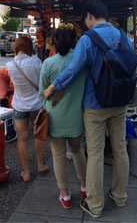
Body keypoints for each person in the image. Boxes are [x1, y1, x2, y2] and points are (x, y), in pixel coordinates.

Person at [44, 1, 131, 218]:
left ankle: (95, 205)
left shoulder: (87, 39)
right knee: (120, 149)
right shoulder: (122, 36)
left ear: (90, 16)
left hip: (95, 105)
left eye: (85, 19)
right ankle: (119, 196)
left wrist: (53, 86)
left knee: (94, 154)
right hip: (120, 102)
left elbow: (74, 69)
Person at [39, 23, 87, 209]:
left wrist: (47, 107)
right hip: (76, 117)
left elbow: (42, 92)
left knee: (58, 156)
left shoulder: (48, 63)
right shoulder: (82, 61)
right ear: (74, 41)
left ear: (56, 44)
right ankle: (84, 187)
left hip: (55, 118)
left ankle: (65, 196)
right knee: (77, 152)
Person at [6, 36, 49, 182]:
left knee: (22, 140)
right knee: (38, 135)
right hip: (36, 105)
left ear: (16, 47)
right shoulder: (36, 61)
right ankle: (40, 165)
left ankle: (26, 173)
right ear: (30, 47)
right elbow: (43, 81)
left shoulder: (10, 65)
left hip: (19, 106)